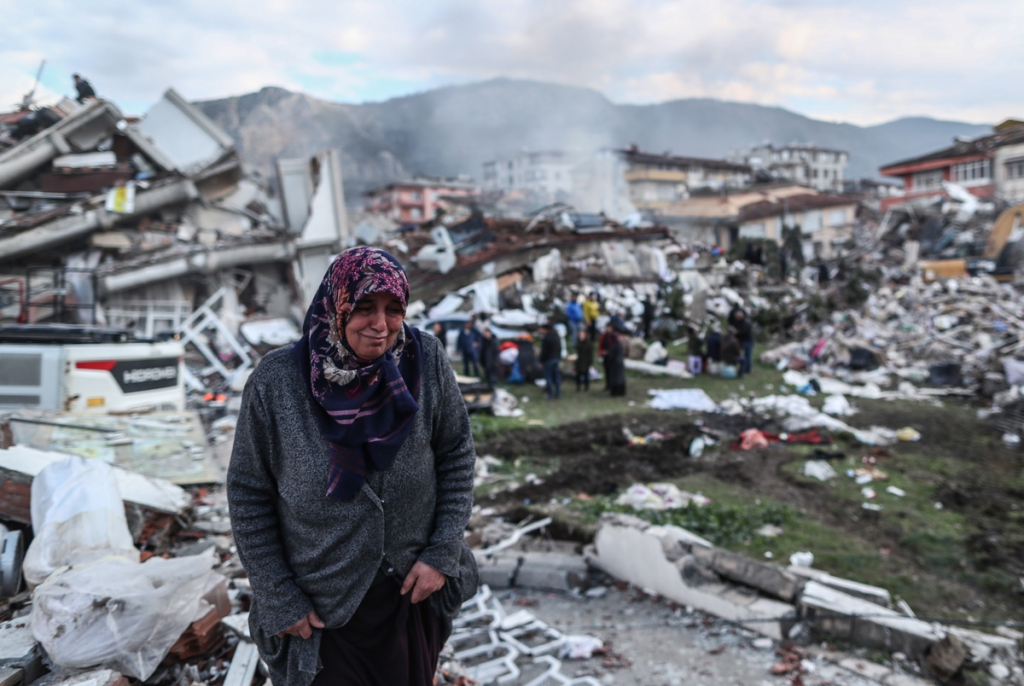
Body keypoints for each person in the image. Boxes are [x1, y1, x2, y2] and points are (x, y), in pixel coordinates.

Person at [227, 247, 478, 686]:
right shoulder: (276, 382)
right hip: (321, 609)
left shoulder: (425, 360)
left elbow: (456, 454)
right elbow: (249, 492)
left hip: (409, 596)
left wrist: (441, 553)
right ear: (336, 306)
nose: (380, 324)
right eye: (364, 307)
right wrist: (279, 595)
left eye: (393, 309)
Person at [539, 322, 561, 399]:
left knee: (548, 377)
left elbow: (544, 351)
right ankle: (558, 393)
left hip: (548, 360)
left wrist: (541, 360)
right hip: (555, 359)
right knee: (556, 377)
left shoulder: (546, 338)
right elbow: (559, 348)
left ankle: (550, 394)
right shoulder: (556, 336)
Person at [605, 330, 627, 397]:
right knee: (621, 378)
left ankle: (615, 392)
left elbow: (611, 356)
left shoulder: (613, 346)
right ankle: (621, 392)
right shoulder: (620, 344)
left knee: (615, 379)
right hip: (620, 363)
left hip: (614, 364)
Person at [732, 309, 754, 376]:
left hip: (747, 340)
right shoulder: (738, 322)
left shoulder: (745, 323)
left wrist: (737, 332)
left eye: (737, 316)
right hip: (743, 341)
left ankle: (747, 369)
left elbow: (744, 332)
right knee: (745, 355)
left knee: (747, 355)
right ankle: (745, 368)